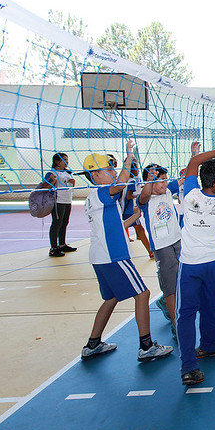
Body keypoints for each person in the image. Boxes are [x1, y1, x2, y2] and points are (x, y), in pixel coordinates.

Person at [78, 140, 174, 363]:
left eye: (113, 168)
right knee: (143, 294)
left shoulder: (96, 198)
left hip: (100, 257)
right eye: (108, 169)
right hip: (114, 256)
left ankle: (93, 344)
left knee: (110, 298)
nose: (113, 172)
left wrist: (135, 217)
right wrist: (129, 156)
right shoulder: (102, 193)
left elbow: (115, 226)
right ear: (95, 175)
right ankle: (146, 346)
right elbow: (121, 184)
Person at [177, 140, 215, 386]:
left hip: (190, 264)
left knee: (186, 313)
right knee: (210, 304)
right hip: (214, 262)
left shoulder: (189, 194)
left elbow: (194, 163)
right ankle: (211, 344)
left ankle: (190, 367)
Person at [137, 156, 191, 337]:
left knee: (182, 279)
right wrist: (150, 181)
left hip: (178, 241)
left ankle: (163, 302)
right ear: (150, 181)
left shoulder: (168, 192)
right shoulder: (144, 199)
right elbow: (144, 195)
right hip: (162, 246)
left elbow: (185, 175)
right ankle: (177, 326)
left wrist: (193, 154)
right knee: (171, 288)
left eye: (166, 180)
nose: (165, 184)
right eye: (160, 181)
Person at [44, 152, 76, 257]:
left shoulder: (68, 173)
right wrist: (52, 181)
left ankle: (62, 245)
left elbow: (70, 187)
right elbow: (45, 187)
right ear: (57, 162)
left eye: (67, 159)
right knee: (57, 223)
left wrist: (72, 182)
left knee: (64, 222)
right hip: (58, 201)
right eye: (64, 160)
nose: (67, 162)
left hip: (67, 200)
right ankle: (53, 248)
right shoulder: (52, 173)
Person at [121, 160, 154, 259]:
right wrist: (140, 194)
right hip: (130, 211)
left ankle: (149, 251)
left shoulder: (130, 180)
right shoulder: (131, 181)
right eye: (136, 168)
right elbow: (129, 196)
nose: (138, 170)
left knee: (139, 230)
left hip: (127, 210)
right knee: (140, 230)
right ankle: (150, 252)